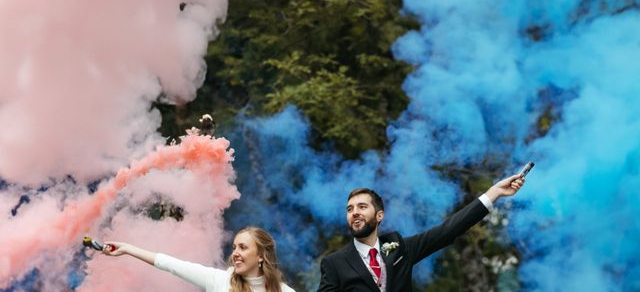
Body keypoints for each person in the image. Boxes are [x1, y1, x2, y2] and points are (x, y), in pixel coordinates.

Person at [317, 174, 525, 292]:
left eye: (362, 207)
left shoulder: (400, 247)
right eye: (350, 209)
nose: (354, 213)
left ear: (379, 215)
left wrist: (494, 193)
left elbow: (448, 230)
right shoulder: (334, 263)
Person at [103, 226, 296, 292]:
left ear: (261, 256)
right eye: (234, 247)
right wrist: (128, 248)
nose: (235, 253)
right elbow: (171, 264)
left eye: (243, 248)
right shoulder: (220, 281)